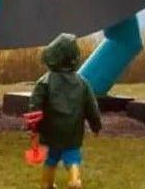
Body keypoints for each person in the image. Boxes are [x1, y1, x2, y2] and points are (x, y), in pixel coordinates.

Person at [27, 33, 102, 189]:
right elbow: (92, 107)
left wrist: (34, 128)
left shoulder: (44, 81)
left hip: (51, 130)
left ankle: (46, 184)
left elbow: (35, 105)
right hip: (73, 131)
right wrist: (96, 126)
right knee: (73, 158)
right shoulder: (83, 83)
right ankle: (74, 180)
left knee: (51, 159)